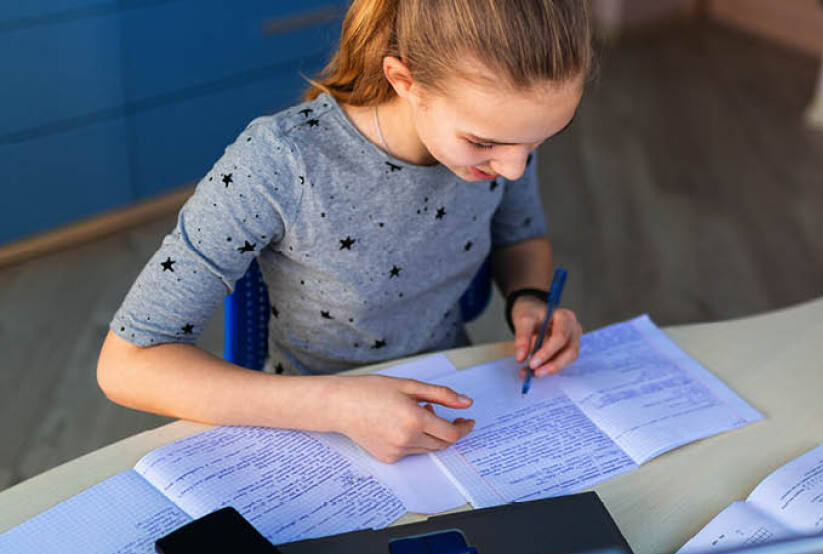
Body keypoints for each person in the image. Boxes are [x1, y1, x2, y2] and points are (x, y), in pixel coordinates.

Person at [96, 0, 592, 463]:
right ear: (404, 80)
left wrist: (528, 299)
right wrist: (340, 407)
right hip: (309, 424)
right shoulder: (279, 162)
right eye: (484, 142)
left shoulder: (506, 134)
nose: (512, 168)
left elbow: (520, 233)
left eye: (536, 142)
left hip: (447, 399)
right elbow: (127, 364)